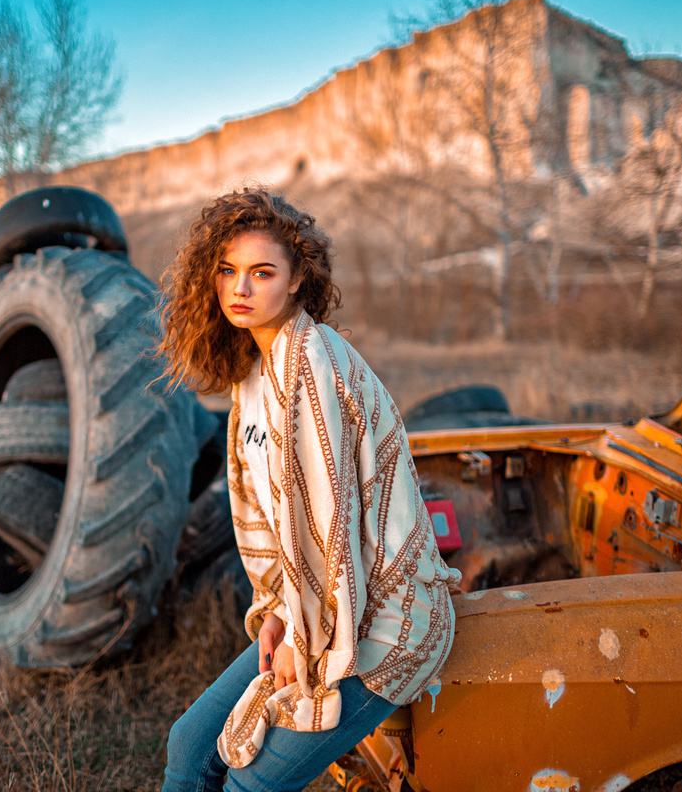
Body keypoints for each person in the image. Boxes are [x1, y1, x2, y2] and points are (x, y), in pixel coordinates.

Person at [156, 187, 462, 792]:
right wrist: (275, 612)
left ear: (297, 281)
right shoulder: (252, 370)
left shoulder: (312, 362)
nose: (239, 289)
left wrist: (303, 639)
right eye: (227, 271)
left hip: (380, 623)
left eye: (262, 272)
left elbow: (330, 525)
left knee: (250, 785)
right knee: (189, 745)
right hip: (312, 611)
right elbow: (268, 522)